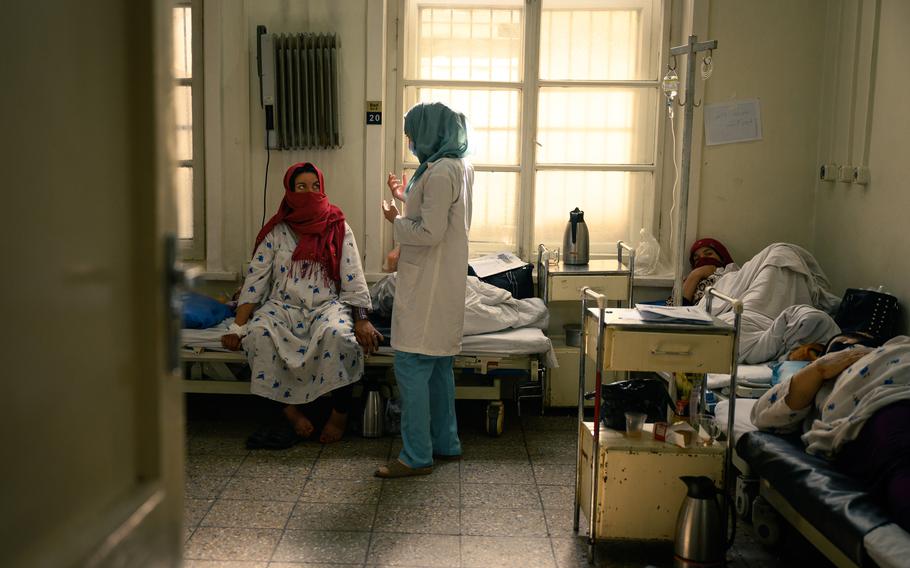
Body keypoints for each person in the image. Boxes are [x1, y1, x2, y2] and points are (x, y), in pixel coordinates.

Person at [220, 162, 383, 447]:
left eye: (315, 186)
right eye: (301, 187)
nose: (310, 192)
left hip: (326, 307)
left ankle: (339, 415)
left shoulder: (338, 226)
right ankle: (291, 413)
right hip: (283, 307)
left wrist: (360, 318)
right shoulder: (277, 231)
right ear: (289, 192)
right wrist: (238, 326)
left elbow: (352, 274)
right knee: (258, 336)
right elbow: (256, 280)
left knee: (340, 338)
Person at [374, 102, 473, 478]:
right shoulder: (456, 166)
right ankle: (446, 443)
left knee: (412, 367)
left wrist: (395, 221)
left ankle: (416, 456)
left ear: (429, 132)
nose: (410, 141)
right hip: (441, 281)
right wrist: (403, 195)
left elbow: (429, 232)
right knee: (438, 369)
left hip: (428, 284)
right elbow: (439, 214)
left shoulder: (441, 171)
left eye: (412, 134)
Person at [752, 334, 910, 531]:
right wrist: (817, 370)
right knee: (899, 453)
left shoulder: (897, 345)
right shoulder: (821, 374)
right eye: (841, 343)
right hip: (881, 409)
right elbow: (762, 415)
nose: (850, 345)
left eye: (852, 341)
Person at [681, 237, 735, 304]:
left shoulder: (733, 277)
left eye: (709, 254)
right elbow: (675, 308)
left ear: (722, 257)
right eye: (697, 259)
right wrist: (694, 276)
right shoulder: (688, 280)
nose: (703, 259)